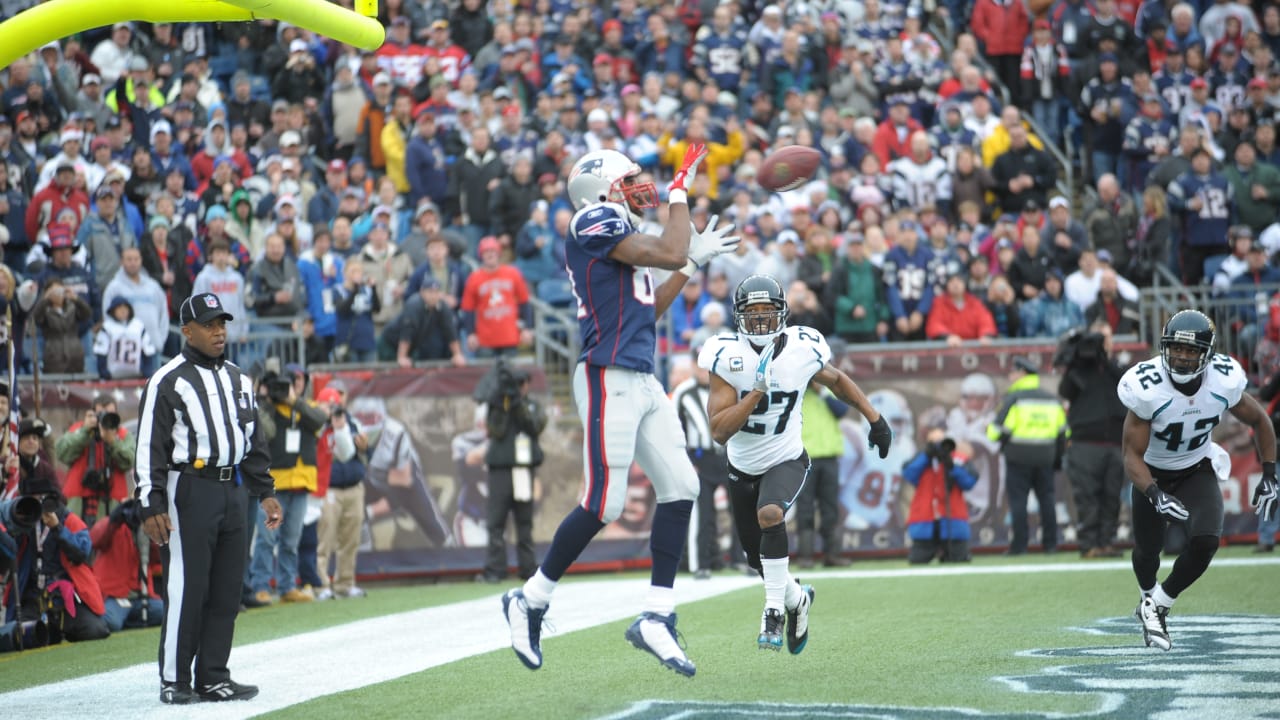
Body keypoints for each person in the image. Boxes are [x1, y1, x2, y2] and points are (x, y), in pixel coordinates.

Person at [501, 144, 739, 677]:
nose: (639, 188)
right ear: (601, 189)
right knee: (602, 502)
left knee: (683, 486)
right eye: (628, 180)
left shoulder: (619, 235)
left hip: (640, 374)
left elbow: (648, 306)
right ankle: (531, 599)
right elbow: (672, 249)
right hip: (607, 374)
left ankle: (656, 614)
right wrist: (681, 192)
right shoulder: (594, 219)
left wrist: (692, 261)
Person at [699, 274, 893, 653]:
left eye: (766, 311)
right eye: (751, 312)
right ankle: (796, 600)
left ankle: (773, 610)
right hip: (741, 466)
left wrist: (874, 418)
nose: (759, 320)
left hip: (786, 457)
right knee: (758, 559)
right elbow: (719, 431)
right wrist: (756, 391)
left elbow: (836, 380)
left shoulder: (803, 346)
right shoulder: (724, 353)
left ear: (782, 313)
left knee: (771, 514)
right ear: (737, 316)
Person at [134, 292, 283, 704]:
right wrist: (151, 504)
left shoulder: (239, 377)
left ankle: (214, 675)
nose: (219, 332)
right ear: (187, 331)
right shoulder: (168, 379)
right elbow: (150, 447)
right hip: (190, 487)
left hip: (233, 488)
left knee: (226, 588)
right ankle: (174, 679)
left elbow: (253, 439)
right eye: (209, 325)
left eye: (222, 324)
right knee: (187, 585)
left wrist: (265, 490)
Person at [1118, 310, 1277, 651]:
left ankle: (1158, 604)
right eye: (1176, 348)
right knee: (1148, 551)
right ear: (1165, 347)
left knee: (1206, 541)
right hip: (1153, 472)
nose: (1182, 356)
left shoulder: (1223, 380)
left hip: (1196, 467)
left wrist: (1269, 472)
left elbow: (1261, 420)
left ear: (1207, 354)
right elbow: (1131, 454)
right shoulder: (1147, 387)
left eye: (1191, 351)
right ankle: (1148, 593)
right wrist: (1154, 493)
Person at [0, 418, 111, 644]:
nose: (40, 504)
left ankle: (60, 627)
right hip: (31, 592)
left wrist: (57, 528)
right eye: (35, 500)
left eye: (45, 499)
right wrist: (19, 520)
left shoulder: (67, 519)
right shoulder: (22, 520)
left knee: (97, 630)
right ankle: (47, 630)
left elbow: (82, 553)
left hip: (62, 591)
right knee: (21, 637)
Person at [1057, 325, 1129, 558]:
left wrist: (1105, 361)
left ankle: (1106, 542)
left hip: (1115, 444)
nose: (1102, 343)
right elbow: (1066, 391)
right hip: (1084, 444)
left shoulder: (1114, 368)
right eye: (1099, 338)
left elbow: (1127, 388)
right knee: (1087, 496)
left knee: (1111, 497)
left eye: (1106, 338)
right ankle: (1089, 545)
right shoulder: (1078, 369)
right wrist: (1075, 360)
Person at [987, 356, 1068, 555]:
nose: (1010, 376)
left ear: (1022, 373)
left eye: (1012, 372)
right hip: (1046, 458)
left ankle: (1019, 546)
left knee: (1018, 502)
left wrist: (1004, 439)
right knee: (1047, 501)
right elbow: (1064, 433)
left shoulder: (1013, 398)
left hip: (1018, 458)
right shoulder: (1051, 399)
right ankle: (1050, 545)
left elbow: (994, 432)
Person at [480, 363, 547, 583]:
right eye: (514, 384)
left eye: (521, 383)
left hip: (522, 470)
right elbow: (496, 431)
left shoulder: (533, 406)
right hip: (500, 471)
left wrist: (517, 405)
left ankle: (528, 569)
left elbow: (534, 426)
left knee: (524, 523)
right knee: (496, 522)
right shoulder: (497, 405)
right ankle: (495, 570)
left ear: (527, 385)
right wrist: (503, 405)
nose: (518, 388)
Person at [672, 347, 732, 578]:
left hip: (726, 455)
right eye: (697, 365)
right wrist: (685, 459)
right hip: (699, 458)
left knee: (740, 509)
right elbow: (674, 428)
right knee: (702, 513)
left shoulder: (726, 386)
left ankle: (742, 559)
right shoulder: (683, 392)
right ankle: (700, 565)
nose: (702, 370)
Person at [795, 380, 851, 568]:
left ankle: (832, 555)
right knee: (805, 508)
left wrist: (822, 392)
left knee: (830, 508)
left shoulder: (827, 391)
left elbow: (842, 411)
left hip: (829, 457)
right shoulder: (796, 390)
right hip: (804, 458)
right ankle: (805, 556)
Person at [55, 394, 135, 526]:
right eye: (100, 414)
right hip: (78, 501)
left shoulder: (122, 435)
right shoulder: (80, 429)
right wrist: (85, 431)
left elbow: (128, 461)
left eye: (110, 414)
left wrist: (112, 441)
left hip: (112, 502)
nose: (105, 418)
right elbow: (62, 452)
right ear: (92, 414)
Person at [902, 430, 978, 563]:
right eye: (934, 442)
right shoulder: (920, 458)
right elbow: (909, 475)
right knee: (917, 561)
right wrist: (927, 456)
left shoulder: (959, 459)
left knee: (958, 561)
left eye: (941, 442)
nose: (938, 446)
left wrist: (952, 466)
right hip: (924, 521)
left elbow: (969, 482)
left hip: (952, 521)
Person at [90, 499, 164, 632]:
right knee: (111, 622)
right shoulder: (114, 526)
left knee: (165, 613)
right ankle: (131, 620)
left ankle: (129, 620)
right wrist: (114, 519)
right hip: (115, 596)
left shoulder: (145, 528)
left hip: (142, 597)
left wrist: (151, 530)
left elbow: (158, 558)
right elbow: (94, 540)